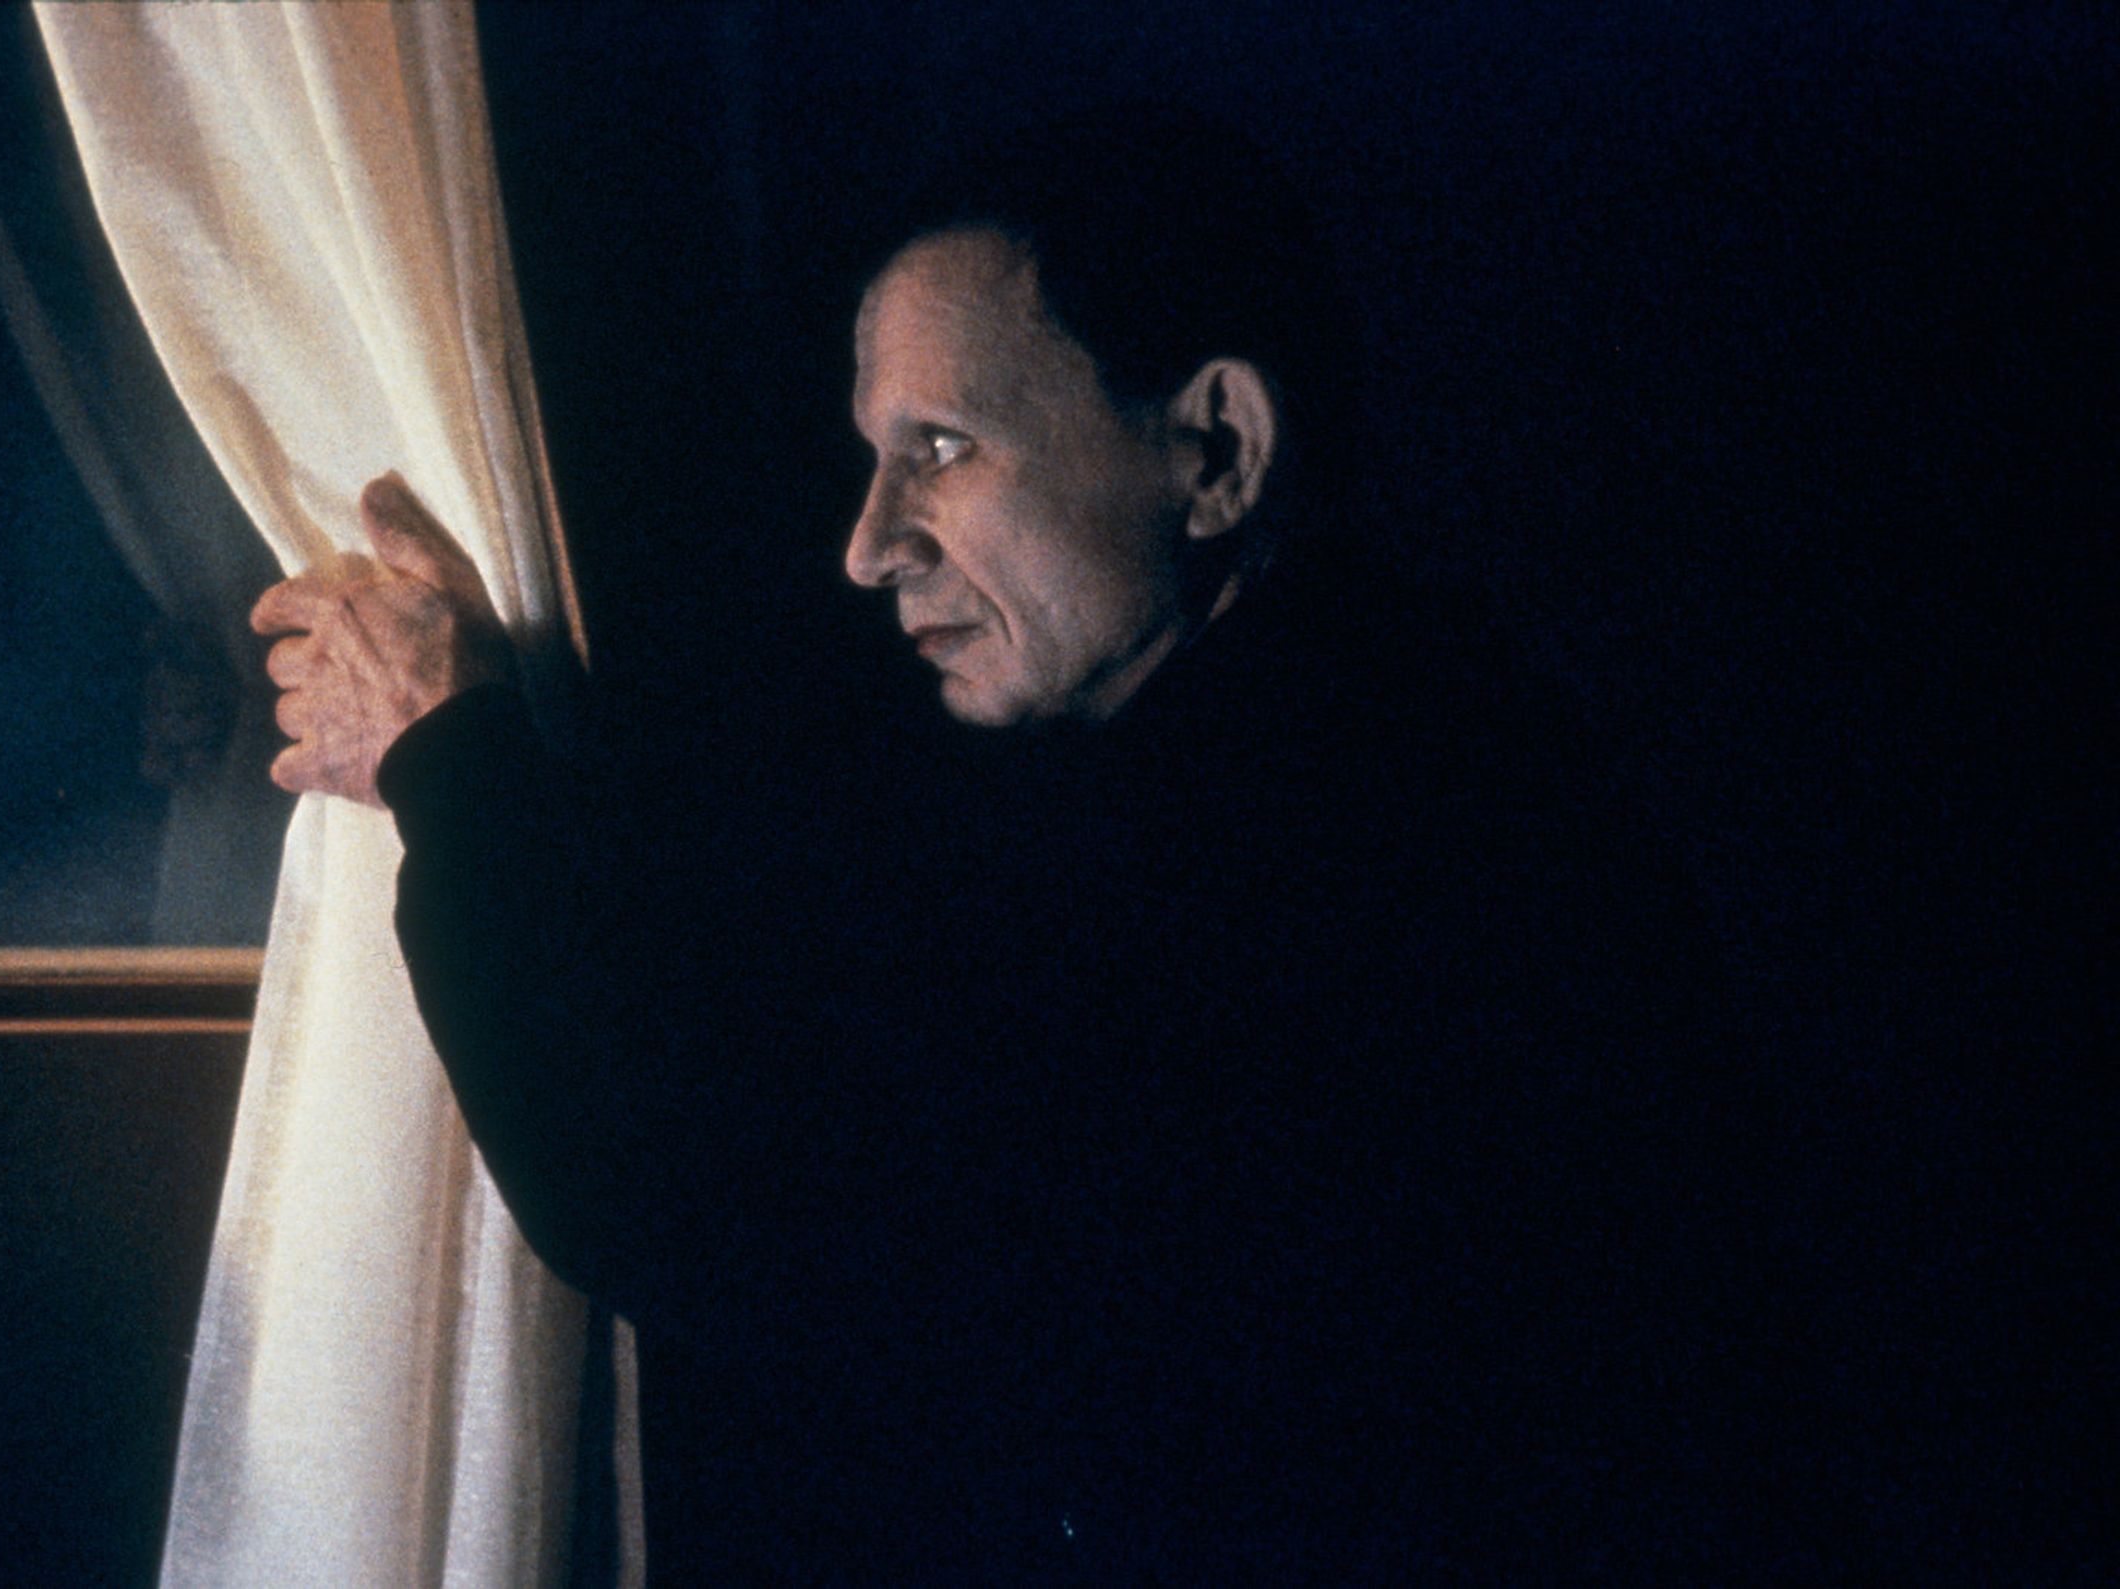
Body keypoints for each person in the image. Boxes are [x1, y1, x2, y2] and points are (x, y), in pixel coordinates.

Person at [253, 118, 1759, 1581]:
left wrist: (450, 756)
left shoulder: (1359, 834)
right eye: (878, 456)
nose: (870, 545)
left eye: (946, 448)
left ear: (1217, 450)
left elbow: (718, 1206)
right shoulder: (1318, 738)